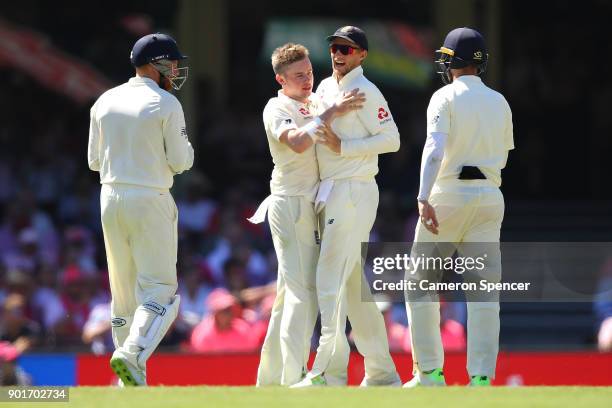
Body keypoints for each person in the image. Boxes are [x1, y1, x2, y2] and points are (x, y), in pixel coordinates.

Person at [403, 27, 514, 387]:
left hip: (448, 193)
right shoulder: (500, 101)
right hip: (489, 196)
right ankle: (481, 379)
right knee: (484, 292)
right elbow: (504, 155)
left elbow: (434, 149)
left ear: (452, 61)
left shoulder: (444, 97)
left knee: (420, 282)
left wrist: (423, 196)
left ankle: (430, 373)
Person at [250, 42, 366, 386]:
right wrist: (331, 112)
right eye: (298, 75)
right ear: (280, 79)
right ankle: (293, 373)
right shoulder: (277, 106)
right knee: (304, 293)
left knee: (290, 293)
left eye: (310, 73)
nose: (307, 80)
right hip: (289, 204)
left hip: (312, 204)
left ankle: (270, 379)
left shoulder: (313, 102)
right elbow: (298, 142)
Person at [292, 26, 401, 387]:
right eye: (336, 48)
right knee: (353, 287)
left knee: (329, 279)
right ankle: (383, 374)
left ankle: (326, 373)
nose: (339, 54)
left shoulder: (367, 91)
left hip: (353, 189)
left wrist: (344, 148)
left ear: (362, 55)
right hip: (329, 190)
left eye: (347, 49)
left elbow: (392, 140)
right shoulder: (324, 87)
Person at [88, 33, 194, 386]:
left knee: (123, 293)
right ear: (157, 64)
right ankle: (131, 354)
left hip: (109, 197)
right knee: (161, 290)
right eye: (173, 61)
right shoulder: (166, 103)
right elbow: (181, 161)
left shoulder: (104, 99)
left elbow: (93, 161)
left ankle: (129, 379)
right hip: (150, 197)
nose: (177, 68)